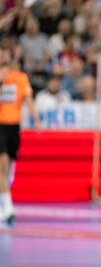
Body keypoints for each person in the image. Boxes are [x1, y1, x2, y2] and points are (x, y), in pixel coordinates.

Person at [0, 43, 42, 226]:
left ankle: (4, 201)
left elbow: (28, 100)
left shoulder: (21, 78)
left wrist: (36, 120)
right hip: (0, 126)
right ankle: (7, 206)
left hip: (14, 127)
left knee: (8, 169)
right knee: (2, 167)